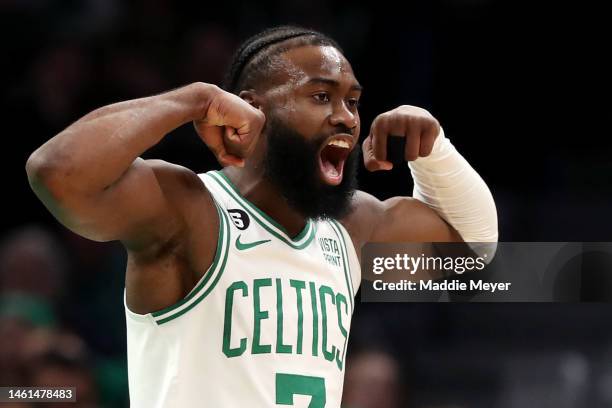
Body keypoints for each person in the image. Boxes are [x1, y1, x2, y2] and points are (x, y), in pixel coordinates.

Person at [26, 26, 497, 407]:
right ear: (251, 107)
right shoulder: (188, 209)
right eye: (320, 96)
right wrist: (191, 100)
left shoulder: (353, 227)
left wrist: (435, 154)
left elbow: (473, 257)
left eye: (352, 101)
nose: (346, 118)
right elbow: (58, 172)